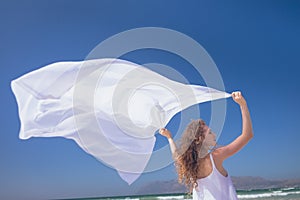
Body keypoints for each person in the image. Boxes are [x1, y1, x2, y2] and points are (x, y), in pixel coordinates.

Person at [159, 91, 253, 200]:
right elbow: (247, 135)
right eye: (210, 133)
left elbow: (176, 155)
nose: (214, 134)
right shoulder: (215, 156)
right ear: (199, 139)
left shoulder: (190, 164)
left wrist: (169, 138)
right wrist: (243, 105)